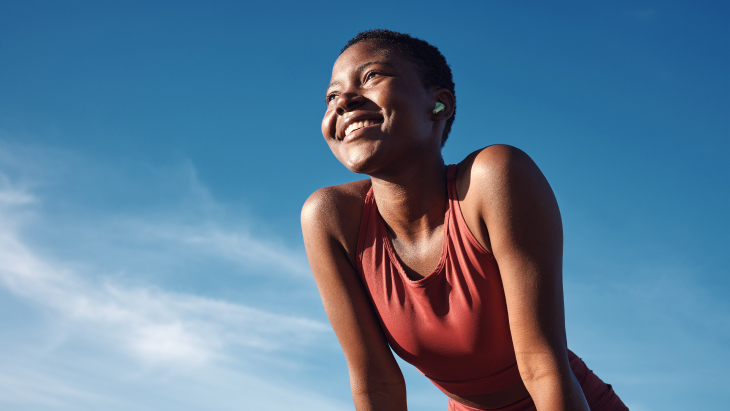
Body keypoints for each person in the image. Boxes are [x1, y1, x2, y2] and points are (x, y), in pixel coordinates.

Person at [301, 29, 628, 411]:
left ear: (439, 104)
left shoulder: (494, 179)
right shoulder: (331, 220)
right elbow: (377, 386)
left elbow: (543, 368)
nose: (344, 102)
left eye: (371, 76)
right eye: (331, 96)